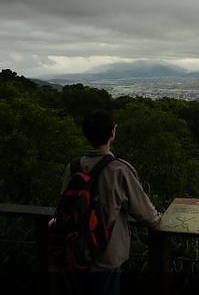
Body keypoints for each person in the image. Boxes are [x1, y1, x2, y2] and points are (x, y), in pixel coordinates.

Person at [61, 109, 162, 295]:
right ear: (111, 133)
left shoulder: (73, 167)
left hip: (76, 251)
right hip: (106, 254)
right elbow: (145, 213)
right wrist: (159, 220)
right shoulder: (118, 169)